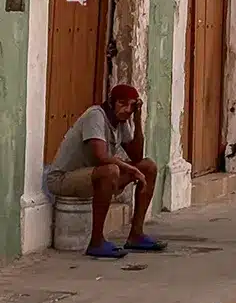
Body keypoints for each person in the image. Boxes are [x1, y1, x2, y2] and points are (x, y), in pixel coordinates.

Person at [46, 84, 164, 260]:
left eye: (130, 105)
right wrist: (130, 169)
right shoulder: (96, 116)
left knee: (148, 167)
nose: (125, 109)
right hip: (64, 179)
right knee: (110, 171)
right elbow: (101, 156)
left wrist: (137, 119)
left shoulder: (121, 122)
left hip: (92, 175)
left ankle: (136, 235)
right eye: (121, 104)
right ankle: (96, 241)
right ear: (111, 103)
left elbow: (137, 154)